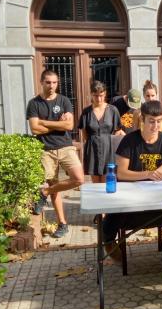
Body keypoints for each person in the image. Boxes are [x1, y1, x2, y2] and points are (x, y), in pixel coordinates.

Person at [102, 99, 162, 260]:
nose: (156, 126)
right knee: (115, 210)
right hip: (130, 192)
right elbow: (121, 173)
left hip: (156, 193)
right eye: (151, 121)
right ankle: (109, 242)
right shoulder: (129, 141)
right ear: (142, 120)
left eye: (159, 121)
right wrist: (147, 174)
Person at [26, 69, 84, 238]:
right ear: (41, 82)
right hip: (46, 150)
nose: (51, 86)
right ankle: (62, 224)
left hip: (65, 147)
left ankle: (43, 193)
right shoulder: (34, 103)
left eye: (54, 82)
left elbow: (68, 126)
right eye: (48, 82)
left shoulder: (64, 101)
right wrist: (56, 123)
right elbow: (35, 129)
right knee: (55, 188)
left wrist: (43, 121)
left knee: (78, 178)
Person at [78, 80, 122, 183]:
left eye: (101, 95)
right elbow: (84, 132)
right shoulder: (86, 112)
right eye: (95, 95)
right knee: (95, 184)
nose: (98, 98)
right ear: (91, 95)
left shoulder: (113, 110)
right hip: (92, 148)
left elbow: (118, 130)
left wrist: (109, 141)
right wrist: (93, 141)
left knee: (107, 181)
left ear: (105, 93)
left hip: (108, 149)